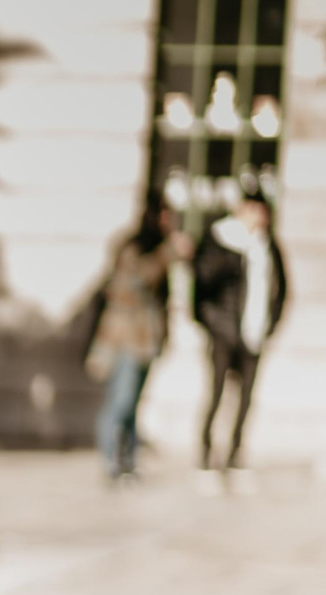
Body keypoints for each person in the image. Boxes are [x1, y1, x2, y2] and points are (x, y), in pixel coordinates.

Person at [192, 189, 289, 485]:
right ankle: (207, 456)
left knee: (246, 398)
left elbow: (282, 288)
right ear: (243, 209)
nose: (262, 218)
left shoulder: (268, 245)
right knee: (217, 393)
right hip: (223, 332)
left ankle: (235, 455)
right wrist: (212, 325)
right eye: (257, 210)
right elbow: (202, 283)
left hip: (254, 332)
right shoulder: (219, 238)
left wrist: (271, 324)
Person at [83, 207, 181, 483]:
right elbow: (135, 282)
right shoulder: (133, 248)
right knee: (119, 402)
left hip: (146, 342)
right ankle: (110, 462)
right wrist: (167, 255)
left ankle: (128, 461)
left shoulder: (157, 249)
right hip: (125, 340)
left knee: (134, 405)